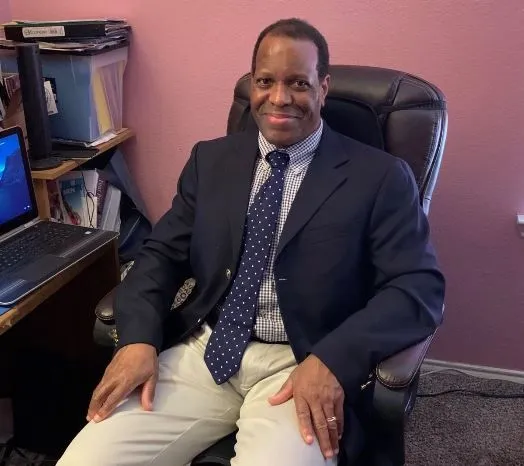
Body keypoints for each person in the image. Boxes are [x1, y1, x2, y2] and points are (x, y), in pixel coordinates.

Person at [58, 17, 444, 466]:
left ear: (323, 88)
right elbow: (159, 255)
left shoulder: (379, 177)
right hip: (207, 348)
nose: (279, 98)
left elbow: (417, 289)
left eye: (298, 83)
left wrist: (334, 360)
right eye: (265, 81)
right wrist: (138, 339)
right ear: (252, 85)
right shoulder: (211, 160)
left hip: (303, 362)